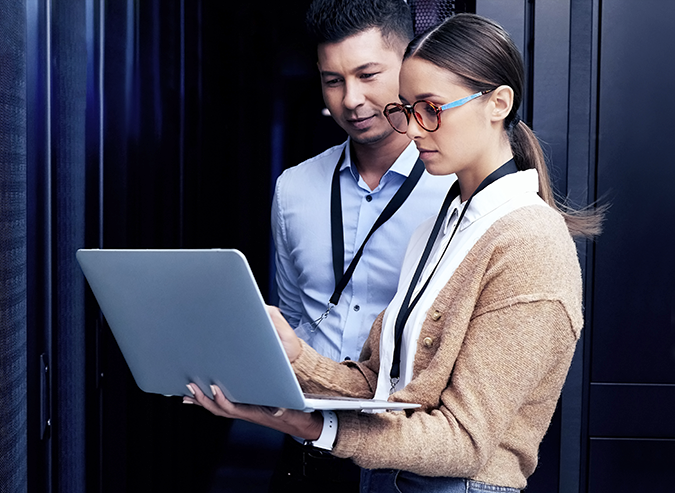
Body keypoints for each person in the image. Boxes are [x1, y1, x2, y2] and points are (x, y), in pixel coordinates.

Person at [186, 13, 603, 493]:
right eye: (406, 109)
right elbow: (383, 387)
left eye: (431, 107)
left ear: (498, 104)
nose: (413, 128)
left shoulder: (530, 241)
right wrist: (293, 355)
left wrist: (309, 426)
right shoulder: (442, 226)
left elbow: (465, 441)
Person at [270, 0, 452, 489]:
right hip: (307, 443)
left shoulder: (455, 188)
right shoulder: (294, 188)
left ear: (409, 67)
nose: (350, 99)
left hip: (406, 454)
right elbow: (293, 318)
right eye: (333, 81)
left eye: (369, 74)